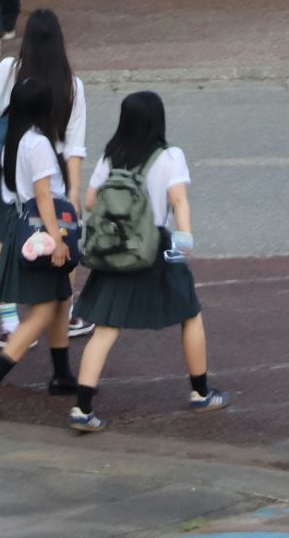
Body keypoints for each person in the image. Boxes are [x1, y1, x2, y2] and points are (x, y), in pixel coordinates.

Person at [68, 91, 230, 432]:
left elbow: (90, 202)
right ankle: (200, 392)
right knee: (190, 314)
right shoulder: (169, 156)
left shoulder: (110, 157)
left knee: (106, 327)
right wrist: (182, 243)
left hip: (116, 248)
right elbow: (179, 201)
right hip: (157, 246)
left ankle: (82, 409)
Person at [0, 8, 91, 343]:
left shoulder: (9, 69)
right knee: (64, 242)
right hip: (52, 172)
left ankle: (10, 324)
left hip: (11, 167)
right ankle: (64, 314)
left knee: (7, 241)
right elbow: (75, 145)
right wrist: (73, 193)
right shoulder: (72, 85)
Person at [0, 77, 78, 419]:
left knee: (60, 299)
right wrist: (58, 239)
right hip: (42, 230)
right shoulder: (40, 144)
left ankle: (62, 374)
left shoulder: (15, 140)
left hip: (22, 226)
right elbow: (44, 195)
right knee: (44, 310)